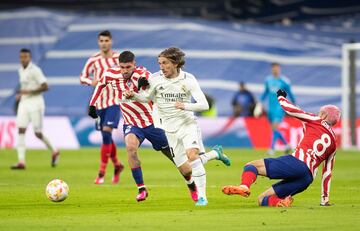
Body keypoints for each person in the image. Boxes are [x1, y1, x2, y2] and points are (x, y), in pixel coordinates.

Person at [89, 51, 230, 202]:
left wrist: (144, 86)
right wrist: (93, 104)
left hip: (154, 123)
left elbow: (151, 90)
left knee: (185, 168)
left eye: (128, 67)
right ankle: (141, 188)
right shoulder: (110, 74)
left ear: (134, 64)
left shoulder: (145, 74)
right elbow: (101, 85)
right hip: (132, 123)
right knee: (130, 148)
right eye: (122, 67)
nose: (125, 71)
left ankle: (194, 180)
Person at [125, 47, 216, 206]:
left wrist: (185, 106)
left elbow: (204, 105)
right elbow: (147, 98)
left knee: (192, 155)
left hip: (187, 124)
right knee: (186, 170)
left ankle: (202, 197)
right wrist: (135, 95)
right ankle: (215, 154)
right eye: (159, 63)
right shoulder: (155, 79)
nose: (161, 66)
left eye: (165, 63)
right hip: (168, 128)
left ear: (175, 63)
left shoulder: (188, 79)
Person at [222, 89, 340, 207]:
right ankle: (281, 203)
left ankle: (244, 186)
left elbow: (292, 110)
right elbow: (327, 173)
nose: (318, 114)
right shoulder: (334, 143)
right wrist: (325, 200)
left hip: (297, 163)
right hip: (306, 179)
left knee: (251, 166)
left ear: (324, 115)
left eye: (320, 113)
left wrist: (281, 97)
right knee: (262, 199)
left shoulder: (316, 120)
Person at [80, 30, 123, 184]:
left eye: (106, 40)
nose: (104, 43)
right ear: (98, 43)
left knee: (106, 133)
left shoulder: (119, 58)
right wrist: (91, 81)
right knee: (107, 136)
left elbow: (127, 72)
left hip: (114, 101)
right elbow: (82, 77)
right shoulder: (94, 60)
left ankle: (101, 173)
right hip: (99, 102)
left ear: (111, 41)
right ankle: (117, 165)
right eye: (101, 41)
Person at [11, 48, 59, 170]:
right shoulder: (20, 70)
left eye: (25, 57)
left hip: (36, 104)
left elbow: (46, 86)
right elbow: (24, 86)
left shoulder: (36, 70)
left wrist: (29, 92)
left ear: (30, 58)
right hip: (24, 103)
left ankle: (54, 150)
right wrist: (21, 94)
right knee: (21, 129)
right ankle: (21, 161)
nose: (23, 59)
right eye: (21, 57)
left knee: (37, 133)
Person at [260, 63, 295, 155]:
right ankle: (287, 145)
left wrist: (294, 104)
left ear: (279, 69)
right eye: (273, 68)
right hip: (270, 108)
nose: (275, 70)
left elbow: (290, 93)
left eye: (276, 68)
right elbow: (265, 92)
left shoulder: (284, 81)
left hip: (280, 107)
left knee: (275, 126)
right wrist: (260, 102)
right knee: (274, 129)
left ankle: (271, 149)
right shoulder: (268, 80)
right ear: (272, 70)